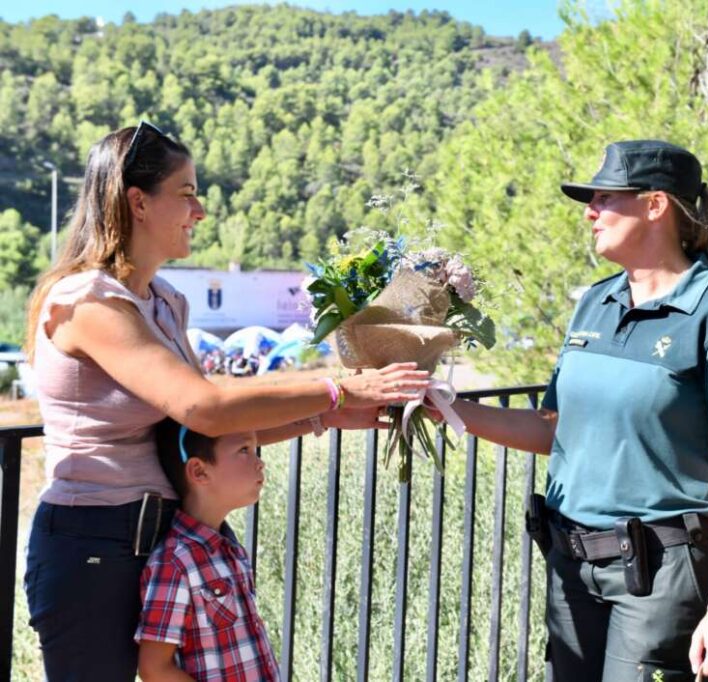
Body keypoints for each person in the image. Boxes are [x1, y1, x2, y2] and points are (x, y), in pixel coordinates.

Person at [22, 121, 428, 682]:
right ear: (138, 202)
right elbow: (203, 408)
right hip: (94, 544)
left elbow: (199, 434)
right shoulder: (88, 302)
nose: (201, 211)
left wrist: (327, 416)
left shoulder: (163, 302)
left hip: (161, 538)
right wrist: (338, 388)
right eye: (187, 193)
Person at [441, 140, 708, 681]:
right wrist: (442, 406)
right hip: (571, 566)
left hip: (662, 578)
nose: (590, 212)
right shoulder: (594, 303)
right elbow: (553, 430)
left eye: (604, 198)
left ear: (655, 204)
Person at [136, 419, 277, 681]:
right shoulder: (174, 563)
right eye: (244, 450)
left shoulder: (231, 550)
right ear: (199, 471)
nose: (260, 462)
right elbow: (154, 668)